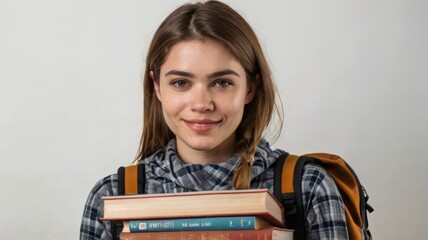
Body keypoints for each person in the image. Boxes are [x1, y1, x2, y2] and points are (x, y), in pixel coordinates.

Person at [80, 1, 348, 239]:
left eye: (222, 82)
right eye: (181, 82)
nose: (201, 104)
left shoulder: (308, 187)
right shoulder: (112, 196)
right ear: (157, 87)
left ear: (251, 88)